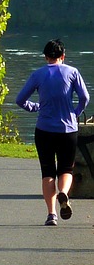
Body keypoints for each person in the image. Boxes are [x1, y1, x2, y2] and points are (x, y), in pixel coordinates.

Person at [16, 39, 89, 226]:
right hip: (68, 130)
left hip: (44, 129)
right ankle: (64, 192)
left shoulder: (38, 74)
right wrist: (75, 113)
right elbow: (84, 97)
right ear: (63, 56)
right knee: (66, 168)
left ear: (46, 57)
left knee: (47, 171)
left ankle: (51, 214)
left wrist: (35, 107)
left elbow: (20, 99)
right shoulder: (72, 72)